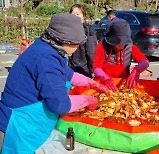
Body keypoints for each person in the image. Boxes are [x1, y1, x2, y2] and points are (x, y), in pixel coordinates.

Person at [0, 13, 107, 153]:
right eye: (76, 44)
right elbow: (60, 104)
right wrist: (89, 100)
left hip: (30, 124)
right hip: (17, 127)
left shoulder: (48, 48)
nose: (77, 48)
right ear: (64, 40)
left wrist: (92, 83)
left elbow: (68, 74)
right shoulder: (45, 58)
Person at [93, 20, 149, 91]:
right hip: (104, 84)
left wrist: (137, 70)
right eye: (117, 41)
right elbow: (96, 67)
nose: (121, 44)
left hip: (123, 84)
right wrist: (105, 78)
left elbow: (145, 62)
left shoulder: (130, 47)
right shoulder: (102, 45)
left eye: (124, 41)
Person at [68, 4, 97, 78]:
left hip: (84, 69)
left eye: (77, 14)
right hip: (70, 68)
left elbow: (92, 52)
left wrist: (93, 70)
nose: (75, 16)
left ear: (83, 17)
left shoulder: (88, 30)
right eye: (73, 13)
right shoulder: (68, 30)